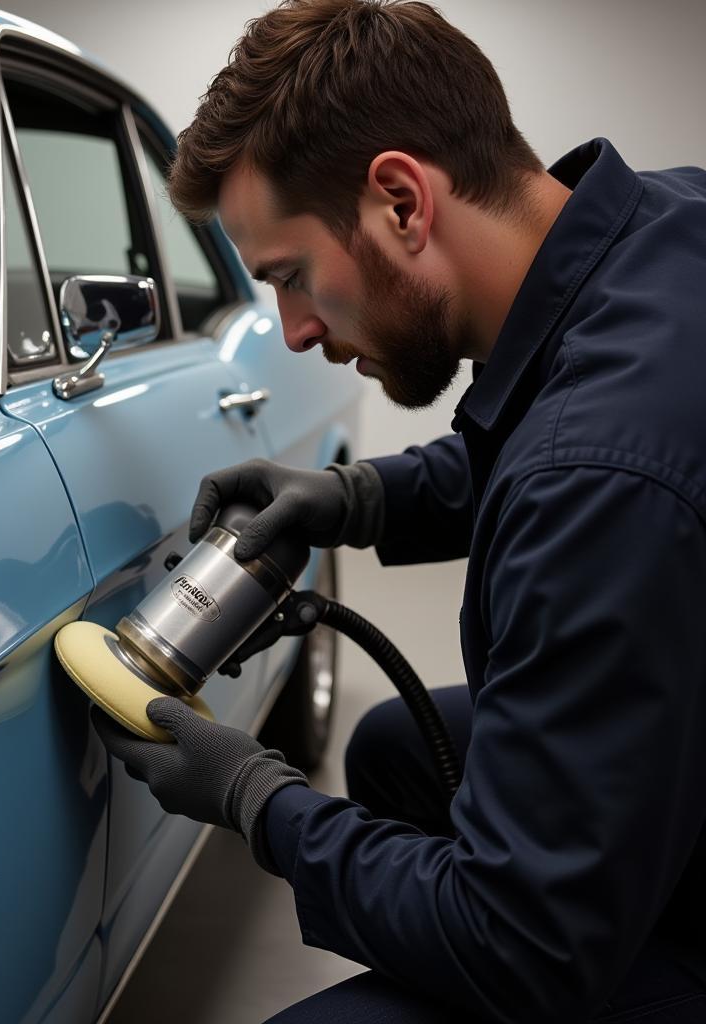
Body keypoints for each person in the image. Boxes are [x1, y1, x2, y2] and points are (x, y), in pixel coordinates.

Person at [93, 1, 706, 1020]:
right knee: (391, 748)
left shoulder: (598, 478)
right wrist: (355, 499)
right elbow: (547, 445)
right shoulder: (662, 229)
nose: (288, 331)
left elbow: (528, 947)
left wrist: (259, 801)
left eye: (290, 277)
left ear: (401, 204)